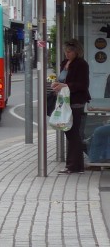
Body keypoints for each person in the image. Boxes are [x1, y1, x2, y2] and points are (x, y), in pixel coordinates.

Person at [53, 39, 91, 174]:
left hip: (76, 101)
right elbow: (62, 79)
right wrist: (57, 84)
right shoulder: (65, 63)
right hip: (65, 100)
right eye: (65, 51)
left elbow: (83, 85)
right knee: (69, 132)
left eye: (69, 51)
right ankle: (75, 165)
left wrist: (66, 86)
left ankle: (74, 165)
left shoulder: (81, 64)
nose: (67, 54)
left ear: (77, 52)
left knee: (72, 132)